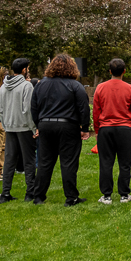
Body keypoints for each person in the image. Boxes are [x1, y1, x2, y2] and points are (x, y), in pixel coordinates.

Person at [31, 54, 91, 206]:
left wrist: (38, 124)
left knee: (45, 162)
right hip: (68, 125)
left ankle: (38, 196)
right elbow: (83, 107)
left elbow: (33, 106)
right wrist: (84, 127)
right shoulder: (75, 85)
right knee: (69, 162)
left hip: (45, 124)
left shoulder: (40, 85)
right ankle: (71, 197)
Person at [92, 58, 131, 204]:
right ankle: (124, 194)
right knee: (125, 162)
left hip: (105, 128)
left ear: (109, 71)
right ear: (124, 71)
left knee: (106, 162)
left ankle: (106, 195)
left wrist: (96, 130)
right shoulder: (130, 88)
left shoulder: (100, 88)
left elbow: (96, 111)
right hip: (125, 128)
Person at [0, 58, 37, 203]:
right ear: (24, 70)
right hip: (24, 127)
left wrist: (6, 124)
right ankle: (30, 192)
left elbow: (0, 109)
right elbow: (27, 110)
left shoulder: (3, 87)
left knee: (9, 160)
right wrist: (33, 128)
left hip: (10, 127)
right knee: (29, 160)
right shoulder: (26, 86)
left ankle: (5, 193)